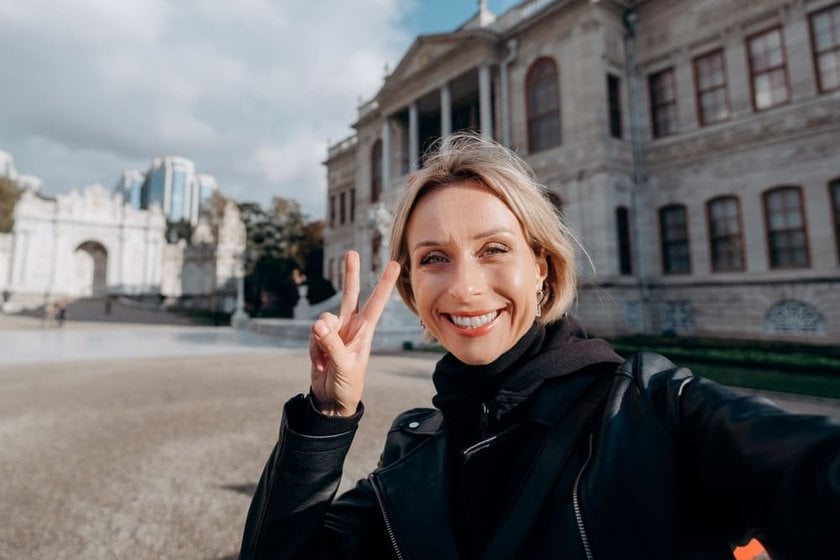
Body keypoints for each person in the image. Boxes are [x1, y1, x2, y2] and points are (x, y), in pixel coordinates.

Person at [239, 133, 840, 559]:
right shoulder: (411, 452)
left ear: (544, 268)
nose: (466, 287)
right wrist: (326, 418)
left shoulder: (653, 411)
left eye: (494, 248)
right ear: (411, 288)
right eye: (434, 259)